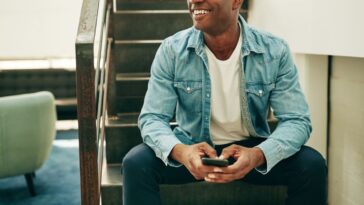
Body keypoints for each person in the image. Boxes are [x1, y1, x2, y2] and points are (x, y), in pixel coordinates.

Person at [122, 0, 327, 204]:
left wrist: (258, 155)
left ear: (237, 1)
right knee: (135, 163)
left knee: (312, 165)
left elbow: (297, 120)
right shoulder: (172, 50)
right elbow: (152, 118)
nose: (194, 1)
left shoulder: (274, 50)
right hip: (192, 146)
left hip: (251, 148)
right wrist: (182, 152)